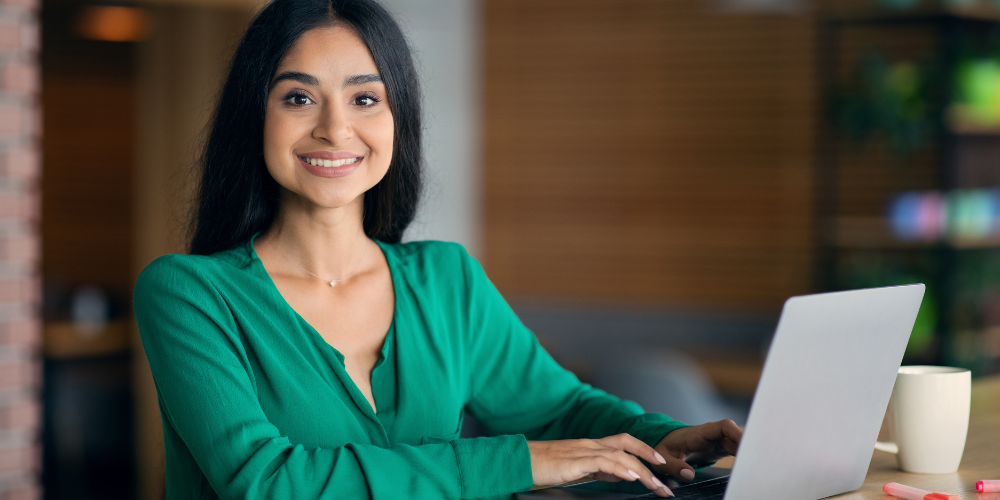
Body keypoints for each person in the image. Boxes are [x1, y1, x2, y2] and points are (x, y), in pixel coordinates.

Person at [132, 0, 743, 498]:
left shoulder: (445, 279)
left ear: (398, 119)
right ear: (254, 116)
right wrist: (518, 464)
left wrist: (666, 437)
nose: (335, 128)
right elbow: (263, 482)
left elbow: (560, 410)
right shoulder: (188, 293)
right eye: (298, 97)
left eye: (365, 98)